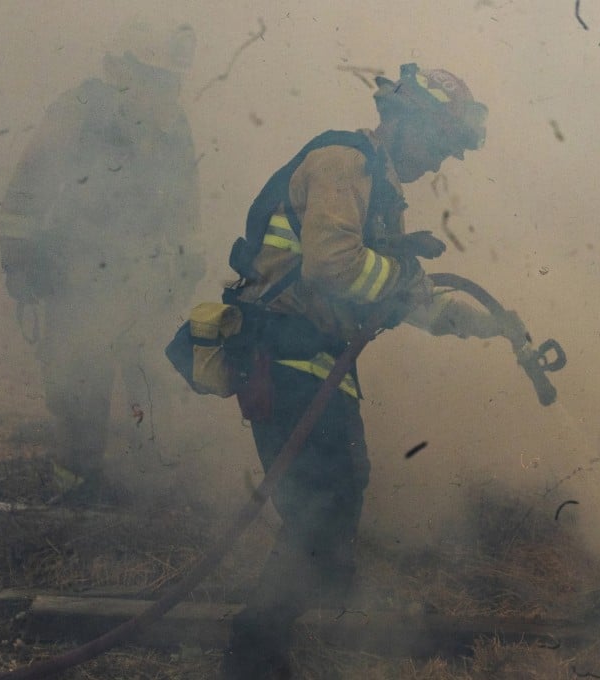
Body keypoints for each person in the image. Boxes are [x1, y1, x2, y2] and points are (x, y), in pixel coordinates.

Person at [221, 63, 512, 680]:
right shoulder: (343, 164)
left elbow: (408, 301)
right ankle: (252, 656)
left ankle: (270, 640)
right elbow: (333, 266)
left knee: (336, 504)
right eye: (437, 145)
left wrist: (487, 326)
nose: (437, 163)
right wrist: (402, 275)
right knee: (323, 511)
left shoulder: (382, 190)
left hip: (315, 364)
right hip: (287, 357)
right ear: (405, 122)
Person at [0, 20, 204, 501]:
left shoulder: (173, 125)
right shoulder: (80, 110)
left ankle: (148, 481)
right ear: (128, 70)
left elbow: (185, 203)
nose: (166, 94)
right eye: (157, 79)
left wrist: (189, 260)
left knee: (152, 376)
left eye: (172, 83)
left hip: (146, 276)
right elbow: (29, 186)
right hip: (78, 271)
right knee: (79, 377)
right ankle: (77, 485)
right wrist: (20, 258)